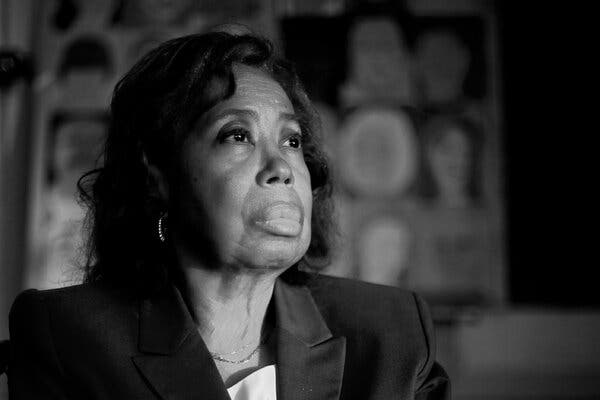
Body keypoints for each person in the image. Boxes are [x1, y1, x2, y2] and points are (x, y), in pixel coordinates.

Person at [8, 31, 450, 399]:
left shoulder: (393, 334)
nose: (281, 168)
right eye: (238, 135)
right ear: (159, 176)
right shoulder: (69, 339)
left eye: (292, 142)